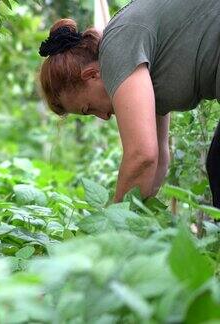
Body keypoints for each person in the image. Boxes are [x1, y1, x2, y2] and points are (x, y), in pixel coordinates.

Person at [38, 0, 220, 207]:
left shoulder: (117, 49)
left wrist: (114, 227)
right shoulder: (139, 70)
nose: (104, 116)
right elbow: (157, 160)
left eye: (89, 109)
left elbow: (142, 156)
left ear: (92, 75)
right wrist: (138, 219)